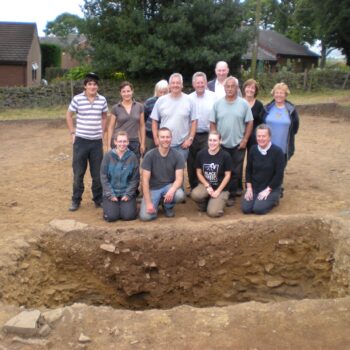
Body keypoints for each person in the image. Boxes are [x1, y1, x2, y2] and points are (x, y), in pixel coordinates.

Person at [66, 72, 108, 211]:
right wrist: (73, 132)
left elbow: (104, 117)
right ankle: (76, 200)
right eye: (89, 84)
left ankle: (98, 199)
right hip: (81, 142)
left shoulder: (102, 100)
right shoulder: (77, 99)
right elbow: (69, 115)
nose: (92, 86)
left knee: (97, 174)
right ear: (85, 86)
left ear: (98, 87)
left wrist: (102, 133)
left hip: (96, 142)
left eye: (95, 84)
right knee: (78, 173)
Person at [210, 76, 253, 207]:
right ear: (224, 88)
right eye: (227, 86)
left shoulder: (243, 104)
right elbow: (212, 122)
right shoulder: (217, 104)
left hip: (238, 144)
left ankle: (232, 195)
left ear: (237, 88)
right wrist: (215, 139)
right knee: (221, 170)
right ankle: (222, 191)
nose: (229, 89)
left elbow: (250, 122)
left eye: (232, 86)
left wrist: (245, 139)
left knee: (235, 171)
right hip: (221, 145)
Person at [139, 127, 186, 221]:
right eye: (162, 137)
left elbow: (179, 178)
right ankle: (155, 203)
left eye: (168, 137)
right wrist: (148, 203)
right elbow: (145, 181)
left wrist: (172, 190)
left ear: (171, 138)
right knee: (145, 217)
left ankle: (167, 206)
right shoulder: (149, 155)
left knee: (179, 195)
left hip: (168, 187)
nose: (165, 139)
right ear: (158, 138)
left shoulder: (177, 156)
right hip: (153, 188)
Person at [263, 82, 299, 197]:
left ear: (286, 94)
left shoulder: (291, 110)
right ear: (273, 94)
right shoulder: (268, 108)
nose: (279, 95)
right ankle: (266, 188)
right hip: (267, 146)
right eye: (277, 92)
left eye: (281, 93)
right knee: (267, 169)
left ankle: (277, 190)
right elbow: (261, 123)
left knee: (279, 170)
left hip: (283, 147)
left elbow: (295, 127)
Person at [151, 73, 197, 161]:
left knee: (179, 172)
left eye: (178, 83)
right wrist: (156, 138)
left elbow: (194, 121)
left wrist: (190, 139)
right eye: (173, 83)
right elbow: (154, 121)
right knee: (163, 171)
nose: (175, 85)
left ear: (182, 85)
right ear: (169, 85)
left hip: (182, 145)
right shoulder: (161, 100)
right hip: (164, 144)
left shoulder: (190, 100)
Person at [241, 124, 284, 215]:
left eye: (264, 136)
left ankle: (275, 198)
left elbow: (279, 175)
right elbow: (248, 169)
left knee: (258, 209)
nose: (261, 139)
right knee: (246, 209)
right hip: (255, 187)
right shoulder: (253, 149)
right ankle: (257, 198)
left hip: (271, 188)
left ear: (269, 137)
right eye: (258, 136)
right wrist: (249, 188)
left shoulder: (278, 152)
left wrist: (268, 190)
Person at [191, 131, 232, 217]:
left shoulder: (226, 156)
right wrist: (207, 185)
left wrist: (218, 191)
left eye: (215, 140)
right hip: (207, 185)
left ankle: (218, 202)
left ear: (220, 141)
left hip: (221, 188)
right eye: (210, 140)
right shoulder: (201, 154)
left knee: (213, 213)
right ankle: (204, 204)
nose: (212, 143)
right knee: (195, 194)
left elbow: (228, 175)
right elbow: (198, 173)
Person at [100, 131, 139, 221]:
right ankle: (111, 206)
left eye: (124, 141)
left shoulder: (132, 157)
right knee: (111, 217)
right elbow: (103, 177)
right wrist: (110, 194)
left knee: (128, 216)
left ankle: (126, 206)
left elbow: (135, 179)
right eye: (120, 141)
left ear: (128, 142)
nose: (122, 144)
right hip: (111, 192)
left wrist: (128, 194)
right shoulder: (108, 156)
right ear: (115, 142)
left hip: (126, 193)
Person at [187, 72, 217, 190]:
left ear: (206, 83)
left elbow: (217, 116)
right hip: (192, 135)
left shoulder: (214, 97)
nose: (200, 85)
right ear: (193, 84)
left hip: (207, 134)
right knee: (191, 161)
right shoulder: (188, 98)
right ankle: (194, 186)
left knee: (206, 160)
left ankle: (205, 186)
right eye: (197, 82)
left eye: (202, 82)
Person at [108, 81, 146, 160]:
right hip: (119, 142)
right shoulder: (115, 108)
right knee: (118, 167)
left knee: (134, 167)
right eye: (123, 92)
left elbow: (142, 126)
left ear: (132, 91)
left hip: (134, 142)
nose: (126, 94)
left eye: (128, 91)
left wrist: (142, 143)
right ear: (120, 93)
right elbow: (111, 127)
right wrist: (108, 145)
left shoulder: (139, 106)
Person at [144, 79, 169, 151]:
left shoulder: (171, 102)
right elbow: (144, 118)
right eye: (160, 92)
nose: (162, 95)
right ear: (156, 91)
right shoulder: (149, 102)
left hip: (165, 135)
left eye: (165, 92)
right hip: (150, 135)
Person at [243, 79, 264, 152]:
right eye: (248, 87)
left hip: (254, 138)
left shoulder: (259, 105)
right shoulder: (238, 102)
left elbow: (262, 122)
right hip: (240, 136)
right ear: (244, 88)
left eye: (253, 88)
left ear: (255, 91)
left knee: (252, 159)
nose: (250, 90)